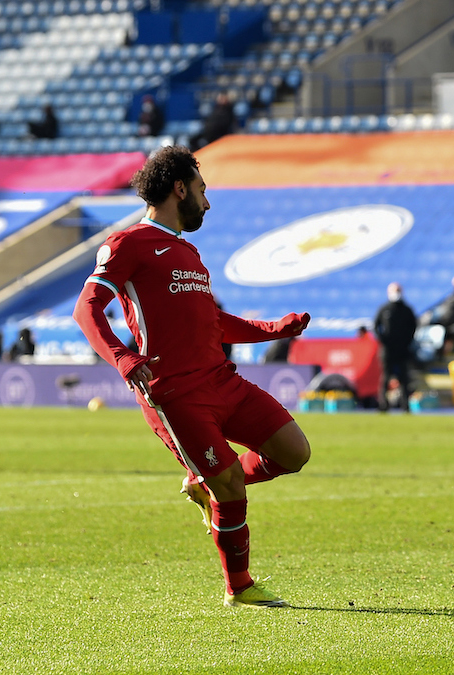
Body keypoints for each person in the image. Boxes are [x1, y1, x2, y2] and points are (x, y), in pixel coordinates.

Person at [72, 146, 312, 608]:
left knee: (294, 451)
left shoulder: (189, 253)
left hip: (223, 380)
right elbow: (87, 308)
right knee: (231, 486)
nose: (207, 202)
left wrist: (272, 330)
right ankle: (239, 587)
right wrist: (123, 358)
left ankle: (205, 482)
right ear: (179, 188)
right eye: (202, 190)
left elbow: (212, 324)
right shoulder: (128, 244)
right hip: (175, 393)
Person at [373, 282, 417, 412]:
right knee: (386, 377)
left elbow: (413, 326)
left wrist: (407, 341)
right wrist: (383, 340)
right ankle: (383, 404)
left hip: (402, 349)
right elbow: (376, 326)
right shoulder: (384, 309)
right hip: (388, 349)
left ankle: (405, 405)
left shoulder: (406, 309)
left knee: (404, 378)